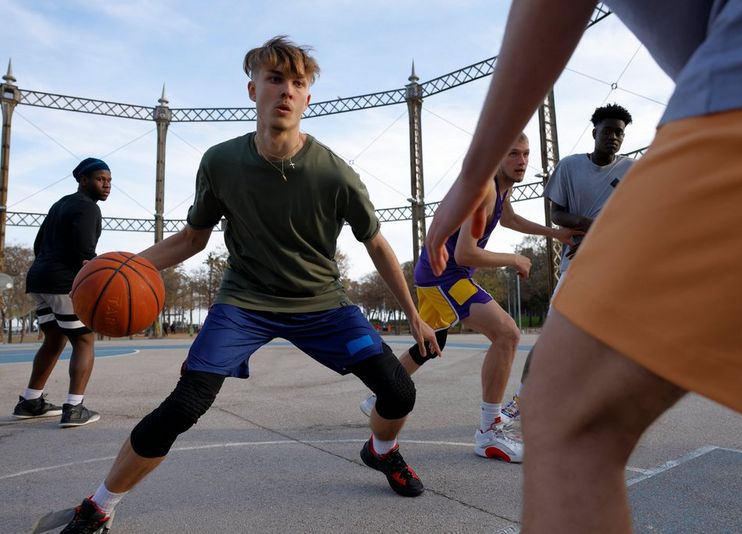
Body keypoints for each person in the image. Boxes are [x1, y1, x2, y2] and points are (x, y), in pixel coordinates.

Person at [425, 1, 742, 532]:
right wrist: (545, 232)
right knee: (522, 349)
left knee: (568, 409)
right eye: (515, 156)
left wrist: (473, 173)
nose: (521, 162)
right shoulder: (573, 169)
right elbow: (529, 223)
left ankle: (497, 416)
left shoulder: (623, 168)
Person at [59, 36, 440, 533]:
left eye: (297, 83)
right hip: (244, 301)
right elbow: (192, 239)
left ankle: (381, 451)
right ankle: (99, 507)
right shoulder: (221, 162)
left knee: (398, 392)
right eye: (275, 79)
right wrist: (127, 267)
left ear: (308, 99)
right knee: (185, 404)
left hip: (320, 302)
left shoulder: (335, 175)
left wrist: (412, 315)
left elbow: (378, 245)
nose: (286, 90)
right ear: (252, 89)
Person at [360, 132, 580, 463]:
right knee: (507, 333)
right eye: (513, 155)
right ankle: (489, 433)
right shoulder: (485, 190)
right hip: (445, 275)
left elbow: (510, 219)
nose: (521, 161)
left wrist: (554, 233)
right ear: (497, 157)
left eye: (525, 154)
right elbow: (465, 253)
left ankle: (379, 395)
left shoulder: (499, 189)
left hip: (434, 273)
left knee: (432, 345)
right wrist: (513, 258)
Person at [499, 103, 634, 424]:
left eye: (620, 133)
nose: (614, 137)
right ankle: (523, 399)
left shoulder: (632, 169)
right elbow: (557, 214)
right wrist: (589, 226)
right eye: (608, 131)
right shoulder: (570, 167)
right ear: (594, 133)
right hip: (577, 265)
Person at [12, 157, 112, 428]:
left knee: (54, 339)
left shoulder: (60, 204)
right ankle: (74, 407)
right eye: (100, 179)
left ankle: (31, 402)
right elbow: (84, 252)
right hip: (62, 283)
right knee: (84, 340)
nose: (106, 185)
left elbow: (38, 243)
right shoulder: (88, 208)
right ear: (83, 180)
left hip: (39, 279)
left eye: (109, 180)